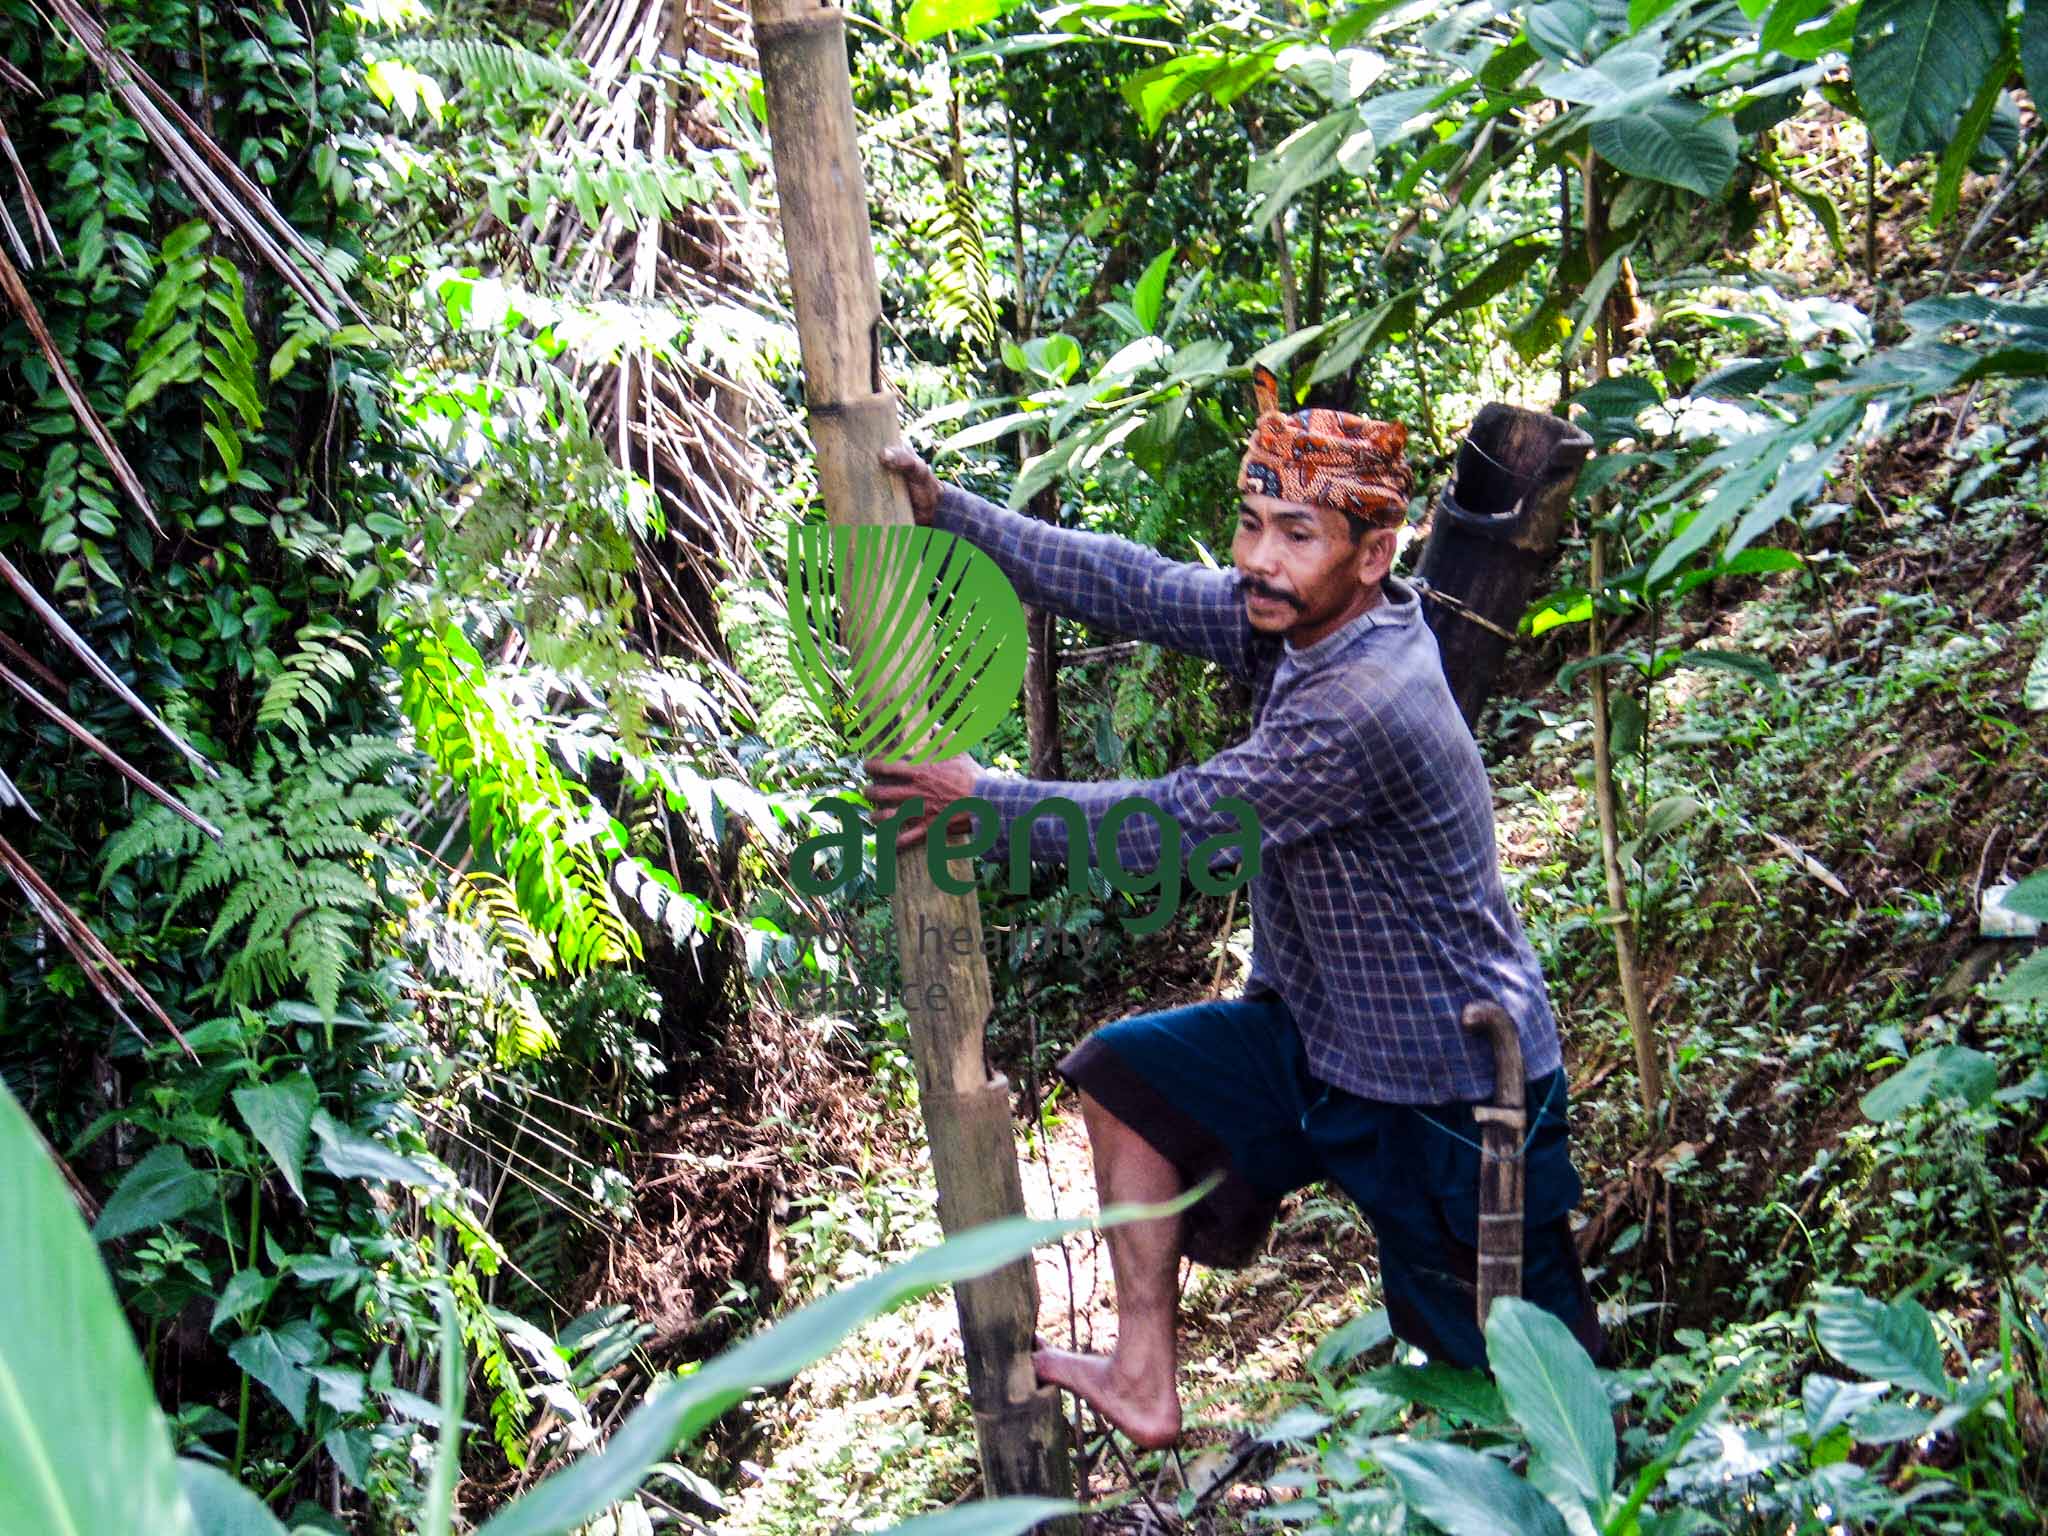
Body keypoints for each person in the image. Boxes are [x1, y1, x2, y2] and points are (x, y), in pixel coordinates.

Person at [864, 368, 1603, 1450]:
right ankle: (1144, 1375)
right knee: (1127, 1078)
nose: (1260, 558)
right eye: (1251, 525)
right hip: (1321, 1038)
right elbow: (1135, 585)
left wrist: (983, 799)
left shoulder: (1360, 700)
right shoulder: (1294, 623)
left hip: (1449, 1094)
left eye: (1295, 535)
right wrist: (951, 515)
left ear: (1373, 555)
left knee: (1515, 1389)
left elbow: (1174, 823)